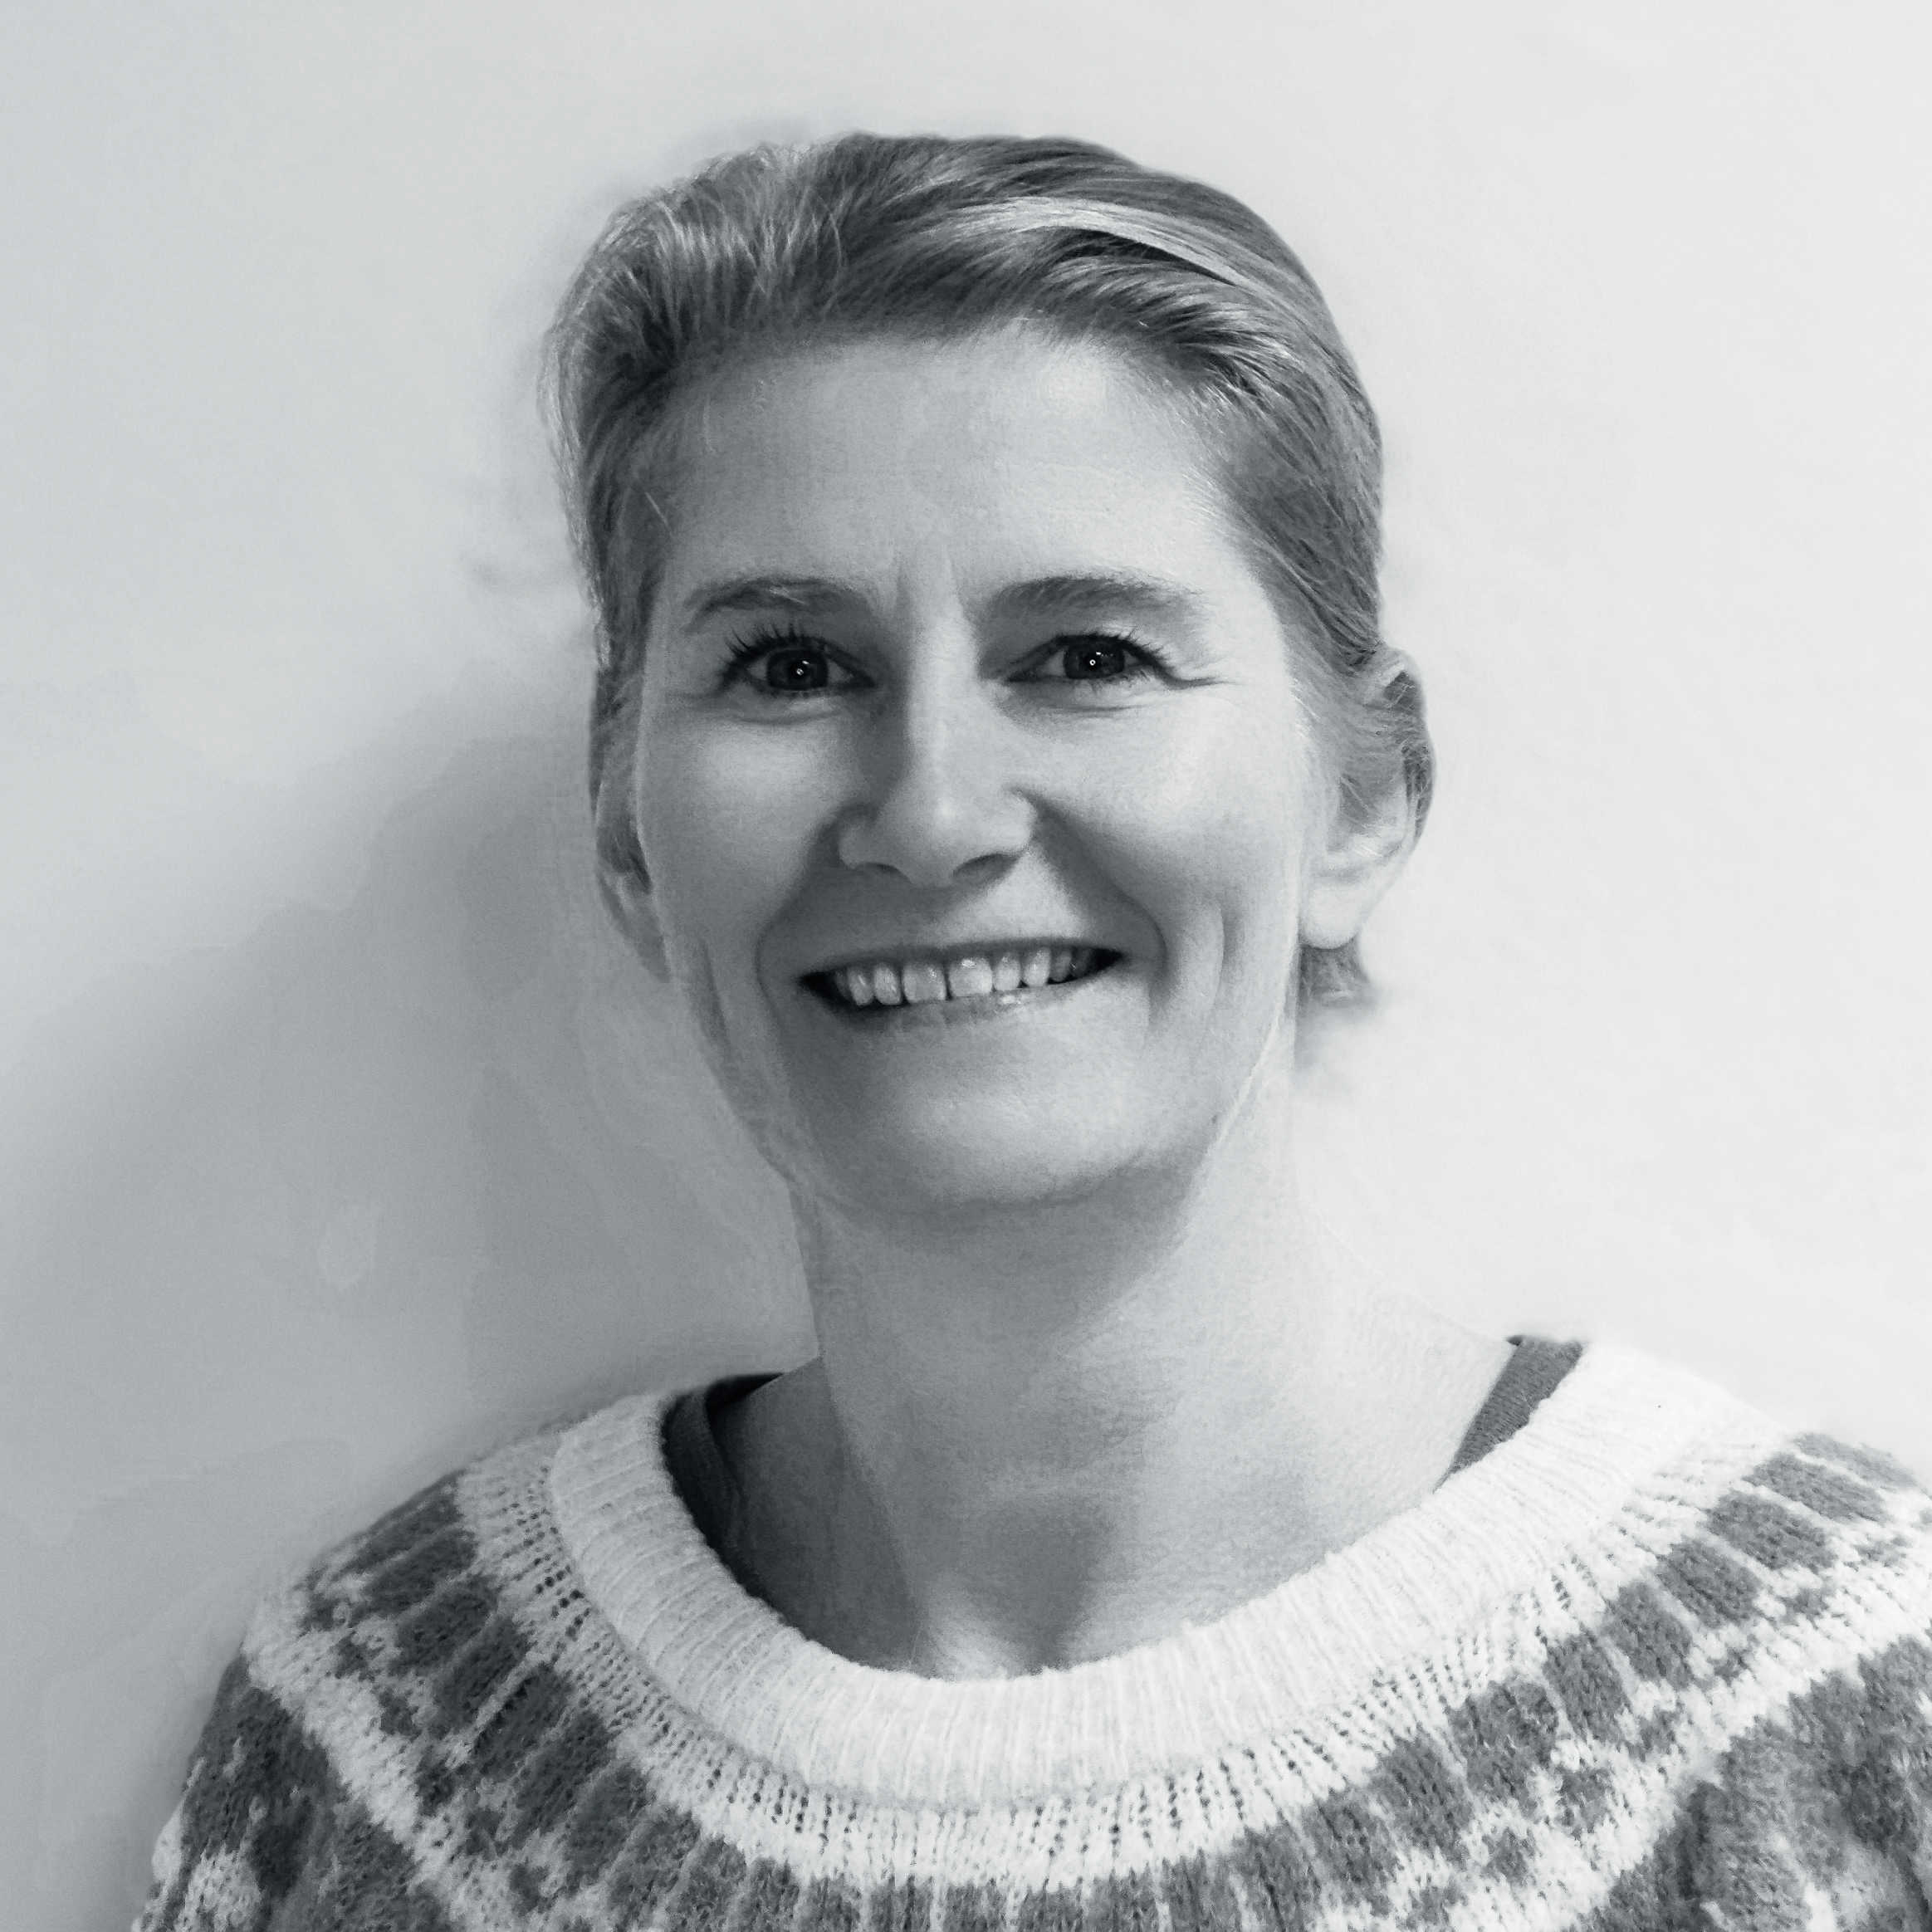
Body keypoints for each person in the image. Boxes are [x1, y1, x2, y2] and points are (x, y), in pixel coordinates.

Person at [136, 133, 1932, 1931]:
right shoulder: (384, 1743)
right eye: (788, 666)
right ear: (625, 834)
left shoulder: (1830, 1708)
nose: (932, 816)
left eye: (1087, 657)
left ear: (1364, 801)